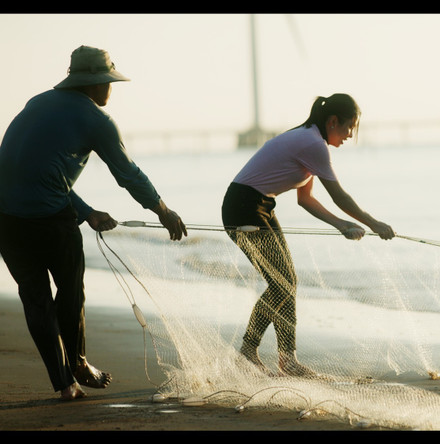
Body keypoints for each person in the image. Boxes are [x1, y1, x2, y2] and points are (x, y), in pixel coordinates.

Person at [0, 45, 188, 401]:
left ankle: (66, 384)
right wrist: (163, 210)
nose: (111, 89)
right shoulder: (96, 119)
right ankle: (79, 363)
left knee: (36, 300)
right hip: (49, 223)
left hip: (6, 219)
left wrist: (86, 211)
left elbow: (35, 174)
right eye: (109, 81)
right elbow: (128, 174)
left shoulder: (37, 103)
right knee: (71, 293)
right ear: (94, 83)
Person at [222, 93, 394, 377]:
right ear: (333, 121)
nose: (351, 135)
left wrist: (342, 225)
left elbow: (306, 200)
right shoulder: (313, 144)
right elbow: (339, 196)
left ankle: (287, 360)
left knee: (288, 281)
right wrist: (375, 224)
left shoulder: (311, 140)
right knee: (282, 283)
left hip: (259, 205)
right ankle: (247, 352)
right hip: (244, 207)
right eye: (350, 126)